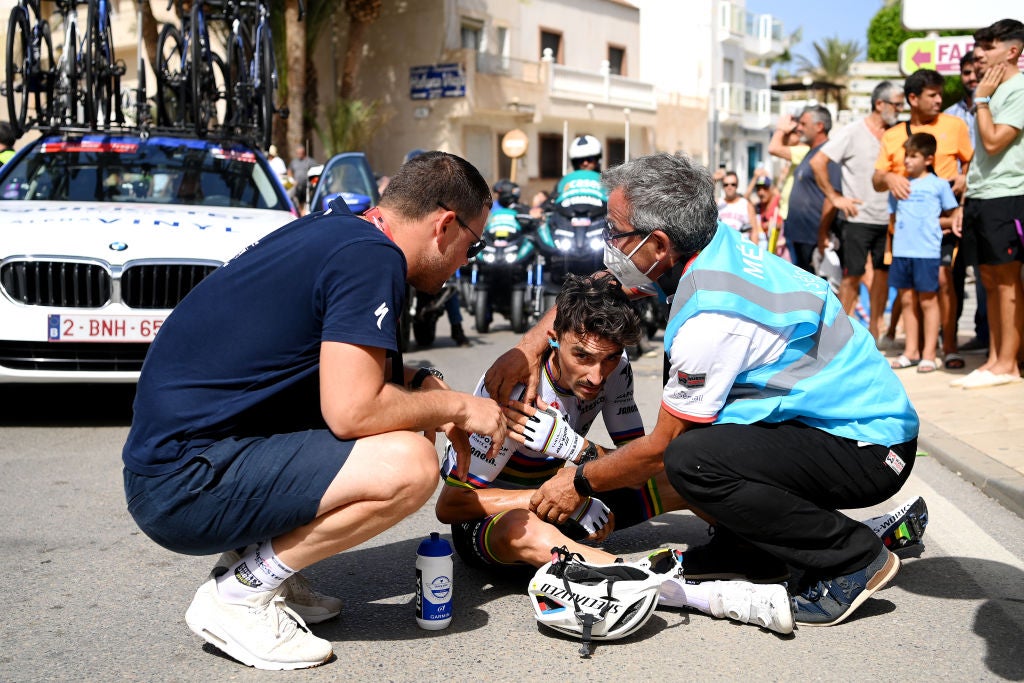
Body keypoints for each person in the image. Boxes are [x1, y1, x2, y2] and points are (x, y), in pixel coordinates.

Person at [484, 152, 919, 628]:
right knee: (702, 446)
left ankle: (852, 558)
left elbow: (659, 451)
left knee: (691, 459)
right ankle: (750, 549)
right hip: (833, 426)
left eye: (616, 232)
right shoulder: (711, 247)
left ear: (658, 244)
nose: (609, 245)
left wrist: (578, 480)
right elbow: (593, 288)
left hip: (869, 447)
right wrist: (528, 348)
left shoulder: (712, 316)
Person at [121, 151, 506, 670]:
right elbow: (353, 411)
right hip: (181, 484)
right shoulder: (372, 260)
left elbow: (331, 370)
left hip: (183, 460)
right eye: (472, 243)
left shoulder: (343, 230)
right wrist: (459, 406)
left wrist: (421, 384)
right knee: (411, 463)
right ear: (443, 225)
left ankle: (254, 561)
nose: (467, 260)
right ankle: (241, 593)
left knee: (408, 418)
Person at [436, 272, 794, 633]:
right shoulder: (517, 392)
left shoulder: (615, 370)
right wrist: (561, 496)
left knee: (681, 467)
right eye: (582, 356)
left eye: (609, 358)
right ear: (554, 338)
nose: (596, 375)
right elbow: (451, 506)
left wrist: (574, 448)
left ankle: (769, 546)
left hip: (565, 500)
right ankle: (684, 593)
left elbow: (637, 461)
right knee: (522, 527)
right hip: (493, 527)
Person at [874, 69, 973, 369]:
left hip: (943, 223)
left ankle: (949, 346)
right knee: (908, 293)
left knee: (944, 283)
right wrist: (891, 177)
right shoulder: (892, 135)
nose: (939, 100)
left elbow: (971, 162)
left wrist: (962, 180)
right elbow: (877, 178)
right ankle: (914, 349)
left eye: (940, 94)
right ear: (913, 98)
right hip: (906, 231)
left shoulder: (955, 126)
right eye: (933, 95)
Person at [954, 18, 1024, 389]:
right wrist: (966, 201)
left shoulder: (1017, 89)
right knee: (988, 280)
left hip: (1008, 195)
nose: (980, 54)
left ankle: (1009, 364)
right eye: (979, 47)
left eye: (989, 47)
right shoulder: (992, 92)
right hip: (981, 196)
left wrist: (981, 99)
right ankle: (996, 359)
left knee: (1007, 281)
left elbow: (995, 142)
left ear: (1012, 51)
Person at [811, 81, 904, 345]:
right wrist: (835, 198)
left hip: (888, 219)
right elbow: (819, 162)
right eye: (897, 104)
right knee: (851, 278)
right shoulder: (852, 131)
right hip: (857, 219)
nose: (900, 109)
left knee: (882, 279)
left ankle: (875, 333)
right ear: (879, 104)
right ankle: (840, 338)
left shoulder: (898, 133)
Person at [887, 133, 960, 373]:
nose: (907, 160)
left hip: (927, 251)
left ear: (928, 159)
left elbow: (953, 215)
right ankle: (911, 351)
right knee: (907, 300)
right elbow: (894, 219)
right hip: (902, 251)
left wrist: (937, 224)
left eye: (913, 156)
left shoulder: (938, 185)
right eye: (906, 155)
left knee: (928, 301)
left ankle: (929, 353)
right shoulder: (898, 186)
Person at [946, 51, 990, 356]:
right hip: (952, 207)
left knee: (988, 273)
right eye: (966, 73)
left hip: (988, 198)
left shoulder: (1001, 105)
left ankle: (987, 335)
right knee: (952, 274)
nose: (971, 78)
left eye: (976, 72)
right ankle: (950, 337)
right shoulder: (950, 115)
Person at [783, 105, 841, 273]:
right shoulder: (810, 152)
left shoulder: (828, 154)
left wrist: (822, 234)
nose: (799, 128)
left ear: (819, 126)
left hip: (814, 239)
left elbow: (832, 195)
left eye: (803, 123)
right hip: (799, 237)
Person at [768, 113, 811, 223]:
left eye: (786, 134)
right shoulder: (794, 157)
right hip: (788, 216)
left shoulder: (804, 151)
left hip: (795, 217)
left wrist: (780, 129)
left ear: (797, 134)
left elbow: (773, 149)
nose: (783, 137)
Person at [552, 134, 607, 210]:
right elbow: (552, 200)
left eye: (590, 159)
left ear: (597, 159)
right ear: (575, 163)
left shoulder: (608, 181)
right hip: (568, 219)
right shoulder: (564, 182)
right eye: (580, 160)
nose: (585, 163)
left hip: (601, 219)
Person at [715, 170, 758, 242]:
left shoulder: (746, 205)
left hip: (741, 246)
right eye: (726, 184)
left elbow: (754, 232)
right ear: (722, 186)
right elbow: (702, 200)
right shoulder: (717, 204)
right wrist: (714, 180)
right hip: (722, 246)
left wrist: (755, 251)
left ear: (737, 185)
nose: (729, 187)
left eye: (733, 184)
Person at [288, 145, 318, 215]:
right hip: (297, 186)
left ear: (304, 153)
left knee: (307, 200)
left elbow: (316, 171)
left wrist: (312, 181)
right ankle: (300, 213)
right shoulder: (294, 162)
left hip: (307, 186)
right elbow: (289, 170)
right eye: (297, 153)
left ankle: (304, 212)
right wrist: (291, 180)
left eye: (300, 153)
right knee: (296, 199)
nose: (299, 155)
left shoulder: (310, 161)